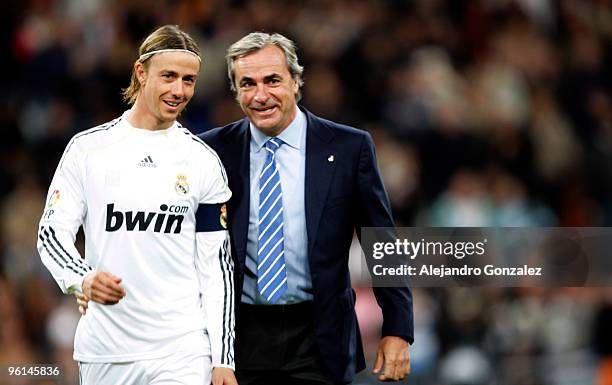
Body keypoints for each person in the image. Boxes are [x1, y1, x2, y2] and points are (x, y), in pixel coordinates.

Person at [199, 32, 414, 384]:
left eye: (272, 80)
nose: (261, 95)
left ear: (297, 82)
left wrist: (398, 328)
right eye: (248, 84)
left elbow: (382, 243)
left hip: (321, 336)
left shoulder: (349, 147)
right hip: (237, 339)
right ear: (235, 91)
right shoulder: (211, 151)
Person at [38, 25, 237, 385]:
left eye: (189, 80)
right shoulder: (88, 150)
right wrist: (81, 279)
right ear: (141, 73)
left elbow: (216, 268)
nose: (179, 90)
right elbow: (51, 234)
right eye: (169, 76)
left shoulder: (202, 161)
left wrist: (224, 358)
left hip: (182, 352)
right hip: (105, 351)